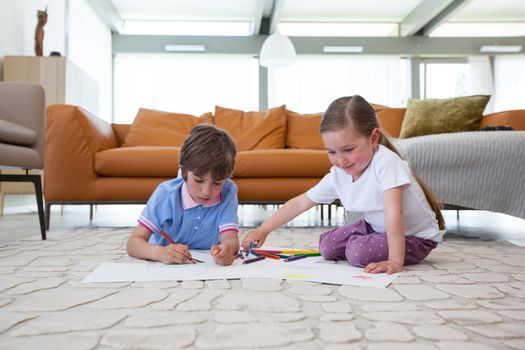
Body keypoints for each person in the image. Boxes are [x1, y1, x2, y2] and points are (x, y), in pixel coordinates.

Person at [241, 95, 445, 274]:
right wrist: (263, 230)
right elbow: (300, 203)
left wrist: (394, 261)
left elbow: (394, 213)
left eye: (348, 150)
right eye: (331, 152)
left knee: (357, 253)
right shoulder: (339, 173)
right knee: (327, 246)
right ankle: (364, 242)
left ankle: (367, 245)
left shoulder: (386, 162)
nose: (341, 160)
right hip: (377, 228)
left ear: (373, 138)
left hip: (414, 237)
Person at [127, 124, 240, 266]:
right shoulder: (166, 195)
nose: (206, 191)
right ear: (184, 172)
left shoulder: (228, 191)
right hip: (166, 261)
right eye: (199, 180)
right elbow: (133, 243)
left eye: (217, 183)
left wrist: (228, 249)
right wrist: (159, 253)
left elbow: (230, 238)